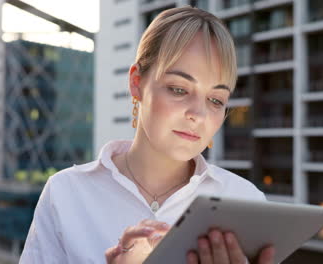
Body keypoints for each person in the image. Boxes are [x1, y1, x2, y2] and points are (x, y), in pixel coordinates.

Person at [19, 6, 275, 264]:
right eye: (178, 89)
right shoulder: (66, 193)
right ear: (136, 82)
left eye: (216, 100)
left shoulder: (245, 201)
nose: (199, 114)